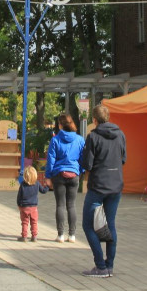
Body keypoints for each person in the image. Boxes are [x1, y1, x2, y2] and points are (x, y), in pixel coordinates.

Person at [80, 104, 127, 278]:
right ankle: (110, 265)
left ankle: (100, 265)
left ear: (94, 120)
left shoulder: (93, 137)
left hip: (98, 186)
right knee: (110, 224)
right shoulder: (120, 134)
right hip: (116, 185)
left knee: (88, 224)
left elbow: (88, 164)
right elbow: (124, 159)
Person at [44, 113, 84, 243]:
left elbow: (51, 159)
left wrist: (48, 176)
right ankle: (72, 235)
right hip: (74, 175)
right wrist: (80, 171)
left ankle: (60, 235)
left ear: (60, 125)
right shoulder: (79, 140)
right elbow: (83, 158)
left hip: (59, 175)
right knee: (71, 205)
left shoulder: (55, 140)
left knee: (60, 205)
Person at [16, 165, 49, 242]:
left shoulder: (23, 185)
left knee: (24, 222)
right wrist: (47, 186)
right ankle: (34, 236)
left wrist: (19, 205)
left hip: (24, 207)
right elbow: (43, 191)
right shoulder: (37, 184)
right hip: (34, 207)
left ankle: (24, 236)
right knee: (34, 222)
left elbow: (19, 196)